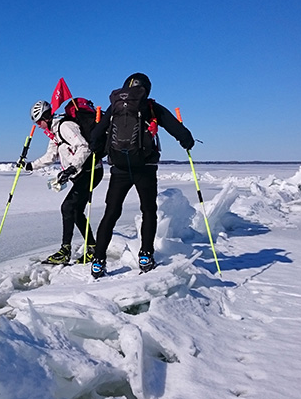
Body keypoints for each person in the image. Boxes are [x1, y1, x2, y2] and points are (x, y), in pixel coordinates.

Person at [90, 73, 195, 278]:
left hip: (119, 168)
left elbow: (97, 134)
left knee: (111, 213)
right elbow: (176, 128)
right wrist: (187, 141)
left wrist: (96, 149)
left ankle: (98, 260)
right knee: (148, 210)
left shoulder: (115, 107)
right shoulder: (151, 106)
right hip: (145, 167)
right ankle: (146, 255)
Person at [21, 100, 104, 264]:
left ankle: (65, 250)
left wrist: (71, 168)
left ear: (45, 117)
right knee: (75, 211)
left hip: (91, 171)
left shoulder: (65, 127)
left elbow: (84, 146)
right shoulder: (54, 133)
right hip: (80, 174)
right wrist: (30, 165)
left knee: (67, 207)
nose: (38, 126)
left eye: (39, 121)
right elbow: (50, 156)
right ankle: (93, 248)